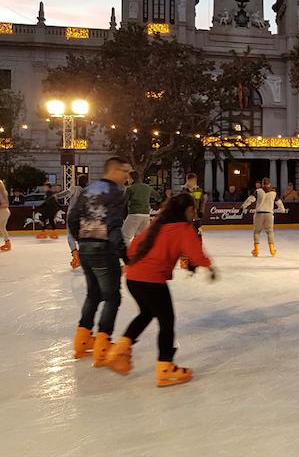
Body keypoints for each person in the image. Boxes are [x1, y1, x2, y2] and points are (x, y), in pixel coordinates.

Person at [105, 193, 214, 387]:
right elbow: (196, 254)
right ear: (188, 210)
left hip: (134, 278)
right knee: (167, 321)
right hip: (152, 281)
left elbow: (133, 249)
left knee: (146, 313)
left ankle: (119, 351)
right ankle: (165, 368)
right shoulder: (183, 228)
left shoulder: (156, 225)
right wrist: (209, 266)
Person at [68, 156, 130, 367]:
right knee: (112, 298)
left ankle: (82, 340)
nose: (127, 176)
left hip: (85, 248)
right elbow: (113, 226)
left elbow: (72, 217)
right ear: (113, 171)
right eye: (125, 172)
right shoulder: (115, 193)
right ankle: (103, 345)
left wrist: (82, 238)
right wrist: (126, 256)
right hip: (104, 250)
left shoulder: (89, 189)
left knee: (93, 294)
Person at [241, 177, 286, 257]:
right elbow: (279, 202)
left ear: (262, 184)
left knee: (257, 232)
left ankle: (256, 250)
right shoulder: (274, 193)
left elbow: (250, 199)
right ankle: (272, 250)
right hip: (269, 214)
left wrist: (243, 206)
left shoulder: (258, 191)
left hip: (259, 214)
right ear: (270, 184)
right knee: (270, 232)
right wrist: (282, 210)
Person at [55, 174, 89, 268]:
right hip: (83, 216)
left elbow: (65, 193)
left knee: (70, 235)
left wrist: (56, 195)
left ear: (78, 180)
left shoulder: (75, 188)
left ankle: (75, 255)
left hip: (72, 215)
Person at [122, 171, 161, 246]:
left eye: (129, 178)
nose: (128, 180)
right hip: (146, 214)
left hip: (134, 214)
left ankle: (130, 253)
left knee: (126, 236)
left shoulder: (130, 189)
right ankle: (143, 254)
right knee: (142, 237)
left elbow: (124, 202)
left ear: (132, 179)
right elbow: (158, 197)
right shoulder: (147, 187)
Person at [0, 180, 9, 252]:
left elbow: (3, 204)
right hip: (6, 211)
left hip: (2, 211)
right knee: (2, 228)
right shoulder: (4, 192)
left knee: (2, 228)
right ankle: (7, 243)